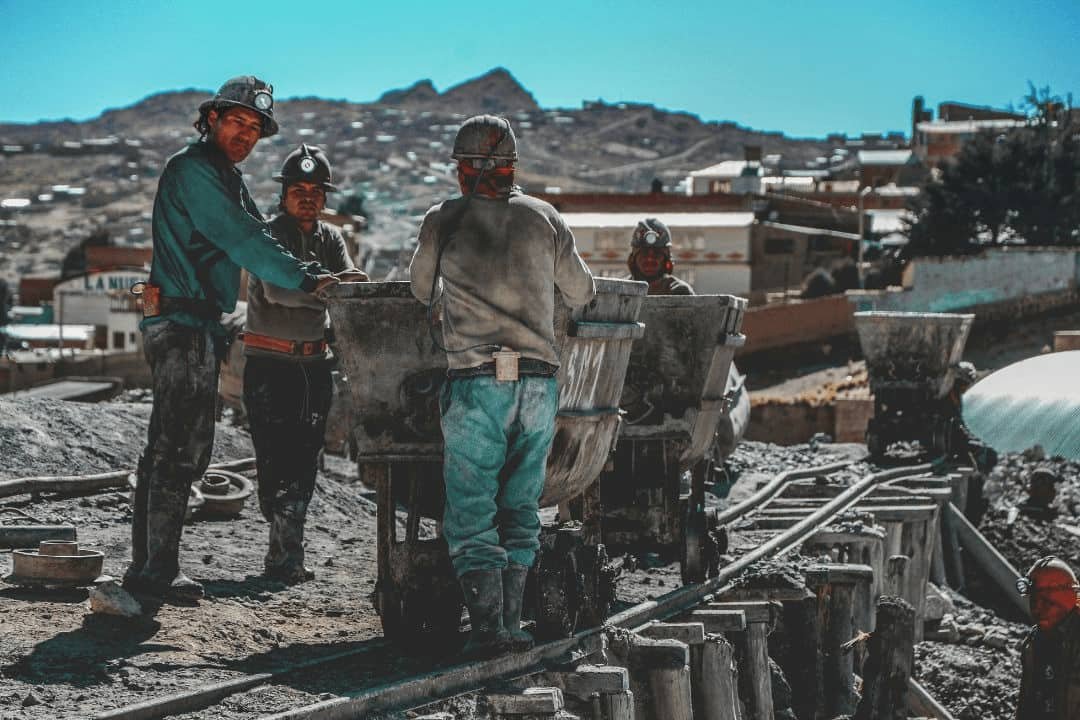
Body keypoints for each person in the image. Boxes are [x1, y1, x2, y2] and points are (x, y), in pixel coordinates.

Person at [125, 76, 339, 601]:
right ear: (212, 119)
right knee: (179, 447)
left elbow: (257, 234)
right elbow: (245, 239)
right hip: (181, 322)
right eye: (237, 121)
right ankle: (156, 573)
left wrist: (302, 266)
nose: (245, 134)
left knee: (172, 446)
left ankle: (150, 567)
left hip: (194, 322)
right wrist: (308, 277)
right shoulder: (195, 171)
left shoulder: (223, 175)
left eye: (254, 127)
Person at [409, 114, 595, 658]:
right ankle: (512, 624)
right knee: (520, 507)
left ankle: (487, 627)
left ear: (467, 168)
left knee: (471, 510)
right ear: (512, 165)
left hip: (476, 385)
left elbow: (419, 290)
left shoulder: (443, 218)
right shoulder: (546, 218)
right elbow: (581, 291)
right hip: (537, 386)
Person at [243, 144, 367, 584]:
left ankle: (284, 559)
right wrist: (323, 289)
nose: (309, 197)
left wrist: (343, 287)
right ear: (284, 194)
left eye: (316, 191)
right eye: (299, 189)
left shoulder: (330, 239)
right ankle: (281, 542)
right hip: (268, 366)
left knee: (305, 460)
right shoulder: (266, 236)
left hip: (313, 367)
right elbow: (278, 290)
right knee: (273, 459)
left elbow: (347, 287)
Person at [1016, 556, 1080, 719]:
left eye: (1045, 602)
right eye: (1034, 600)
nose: (1036, 609)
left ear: (1064, 600)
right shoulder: (1034, 641)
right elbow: (1027, 700)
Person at [626, 218, 693, 296]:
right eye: (644, 253)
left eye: (657, 254)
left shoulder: (680, 292)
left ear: (666, 259)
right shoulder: (620, 291)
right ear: (633, 259)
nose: (650, 259)